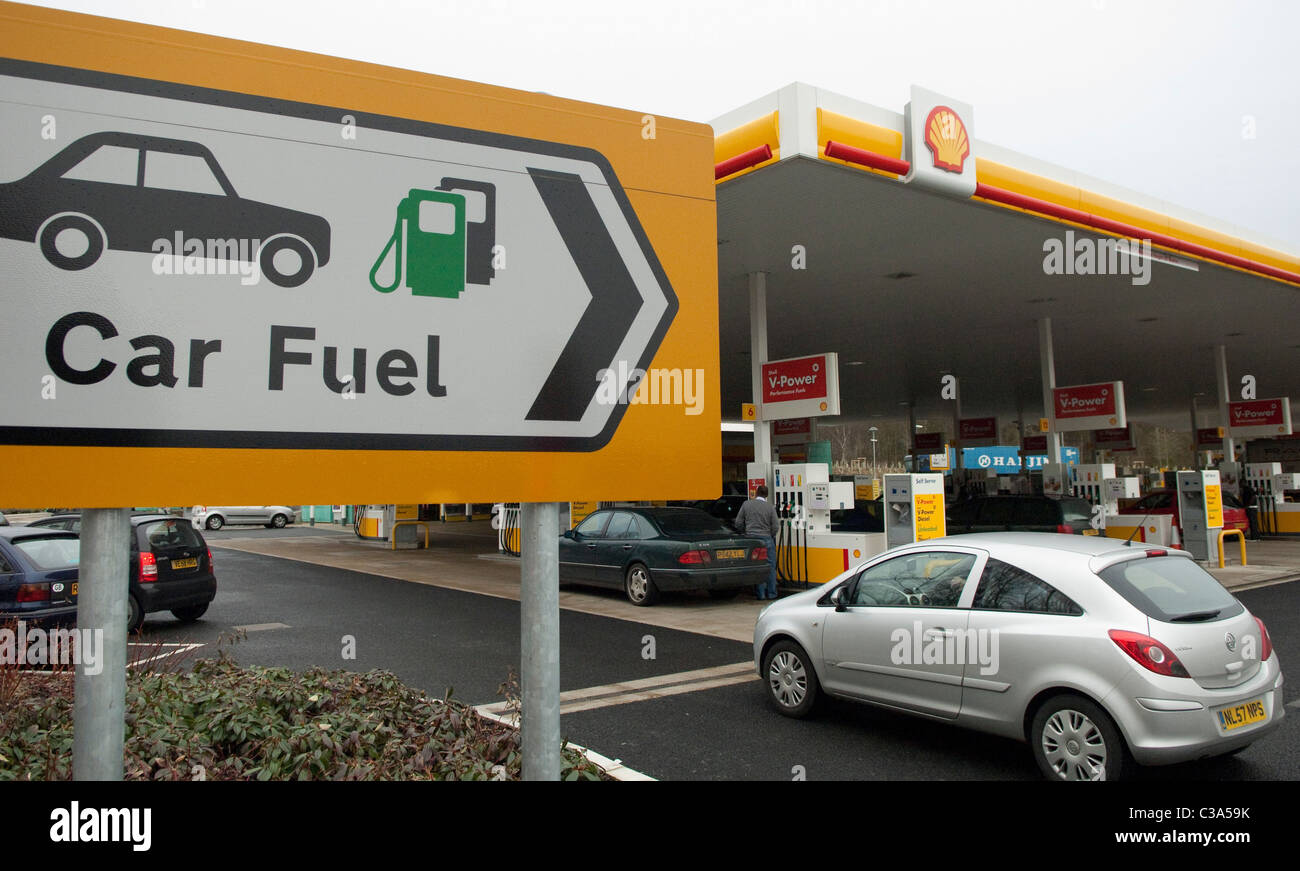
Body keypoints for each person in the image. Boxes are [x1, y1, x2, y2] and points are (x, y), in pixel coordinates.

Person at [735, 484, 780, 600]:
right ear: (767, 495)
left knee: (757, 566)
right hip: (766, 538)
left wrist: (745, 532)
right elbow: (775, 525)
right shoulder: (770, 507)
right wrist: (771, 535)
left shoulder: (746, 504)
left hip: (751, 539)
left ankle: (760, 594)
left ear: (756, 492)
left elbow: (738, 522)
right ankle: (772, 593)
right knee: (770, 566)